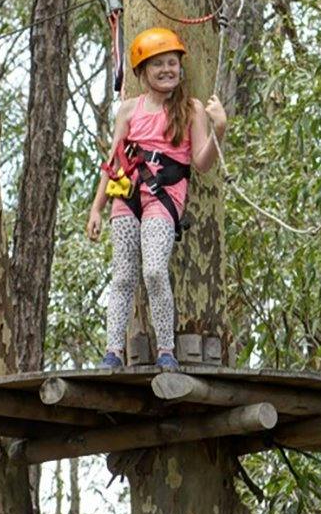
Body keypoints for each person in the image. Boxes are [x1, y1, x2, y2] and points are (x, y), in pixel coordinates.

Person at [86, 26, 227, 370]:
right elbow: (114, 160)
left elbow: (202, 164)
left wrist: (219, 129)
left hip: (164, 198)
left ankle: (166, 349)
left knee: (153, 271)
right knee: (122, 276)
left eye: (172, 63)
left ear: (180, 67)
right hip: (128, 195)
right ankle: (112, 352)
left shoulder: (191, 108)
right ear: (143, 73)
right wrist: (96, 208)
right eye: (157, 65)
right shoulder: (129, 110)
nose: (166, 70)